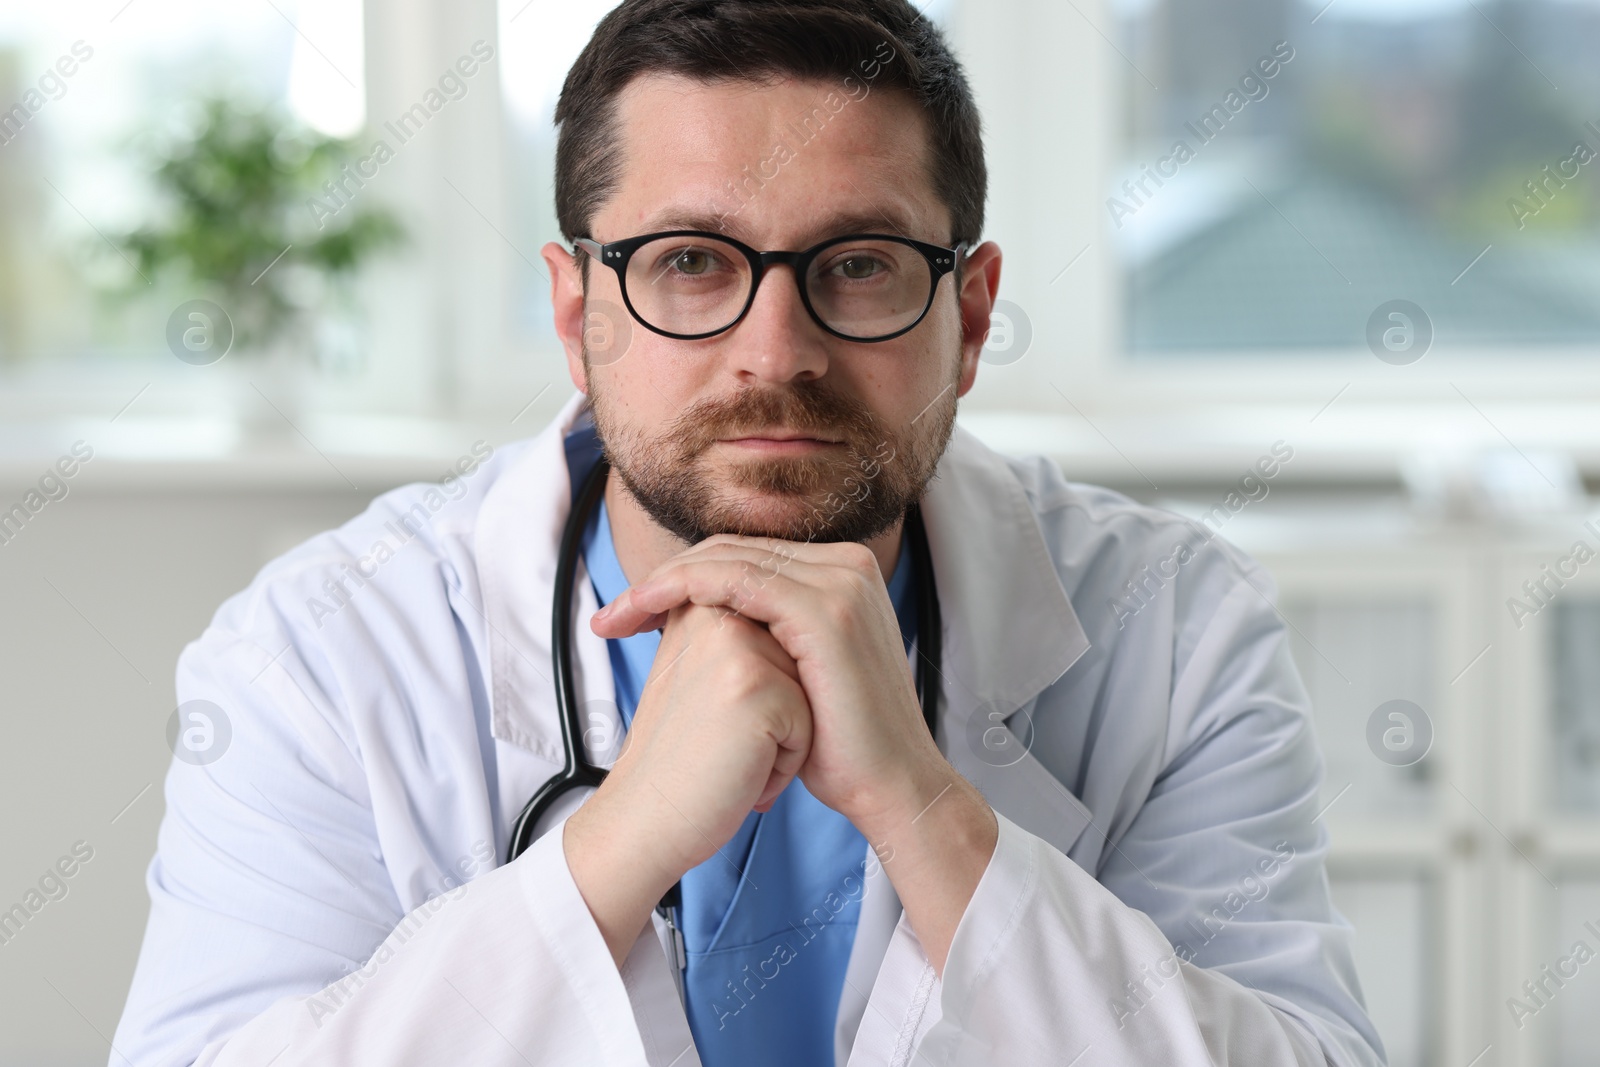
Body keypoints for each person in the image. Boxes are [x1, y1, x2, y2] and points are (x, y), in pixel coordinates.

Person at [111, 1, 1386, 1064]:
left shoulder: (1175, 625)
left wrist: (930, 814)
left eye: (861, 263)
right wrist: (611, 854)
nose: (774, 354)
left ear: (975, 312)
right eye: (687, 263)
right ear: (576, 312)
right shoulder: (319, 649)